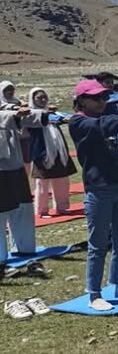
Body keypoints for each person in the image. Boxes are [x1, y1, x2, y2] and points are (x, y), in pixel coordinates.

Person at [69, 79, 118, 311]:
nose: (102, 102)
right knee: (98, 244)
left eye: (104, 97)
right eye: (96, 98)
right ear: (81, 101)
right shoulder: (79, 122)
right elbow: (105, 125)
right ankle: (94, 294)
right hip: (99, 189)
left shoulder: (107, 117)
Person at [0, 99, 46, 269]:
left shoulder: (9, 108)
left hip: (15, 166)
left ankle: (25, 247)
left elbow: (24, 117)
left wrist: (43, 113)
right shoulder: (8, 113)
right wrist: (14, 114)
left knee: (23, 207)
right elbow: (9, 116)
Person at [27, 88, 77, 218]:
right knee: (42, 183)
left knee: (62, 180)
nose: (43, 100)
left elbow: (62, 117)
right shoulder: (30, 114)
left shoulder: (51, 112)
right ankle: (42, 210)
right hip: (41, 152)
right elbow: (48, 119)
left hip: (57, 149)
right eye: (39, 98)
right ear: (33, 99)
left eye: (44, 97)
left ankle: (62, 207)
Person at [1, 81, 32, 174]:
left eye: (12, 89)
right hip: (6, 140)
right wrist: (15, 109)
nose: (10, 92)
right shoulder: (4, 104)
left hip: (22, 137)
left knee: (26, 161)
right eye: (7, 90)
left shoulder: (18, 102)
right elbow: (5, 108)